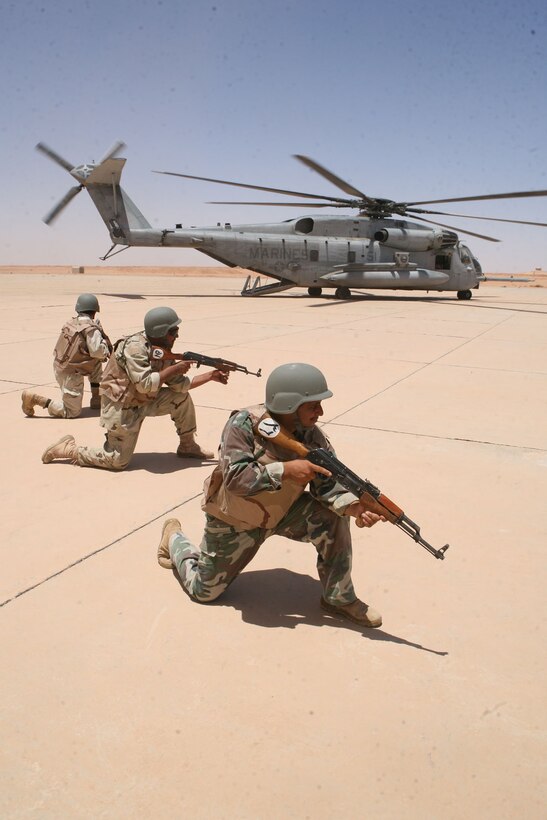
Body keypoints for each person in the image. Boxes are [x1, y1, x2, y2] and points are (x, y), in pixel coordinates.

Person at [156, 362, 385, 628]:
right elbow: (235, 479)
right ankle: (174, 539)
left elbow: (327, 484)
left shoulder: (313, 437)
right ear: (289, 404)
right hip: (236, 520)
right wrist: (286, 470)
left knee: (333, 517)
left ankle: (339, 598)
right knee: (203, 592)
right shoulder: (243, 424)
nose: (320, 411)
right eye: (313, 405)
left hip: (284, 512)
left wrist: (353, 507)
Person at [41, 306, 227, 470]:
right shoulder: (135, 347)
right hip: (121, 407)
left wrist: (211, 376)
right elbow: (145, 384)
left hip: (143, 401)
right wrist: (174, 368)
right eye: (173, 331)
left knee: (181, 397)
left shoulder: (163, 350)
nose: (176, 335)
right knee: (116, 461)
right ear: (161, 331)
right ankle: (69, 449)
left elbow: (181, 386)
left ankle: (187, 445)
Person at [22, 293, 111, 418]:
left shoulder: (71, 322)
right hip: (71, 374)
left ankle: (96, 398)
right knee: (71, 412)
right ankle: (35, 399)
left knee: (96, 362)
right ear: (95, 311)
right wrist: (105, 343)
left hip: (61, 366)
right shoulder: (91, 329)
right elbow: (99, 352)